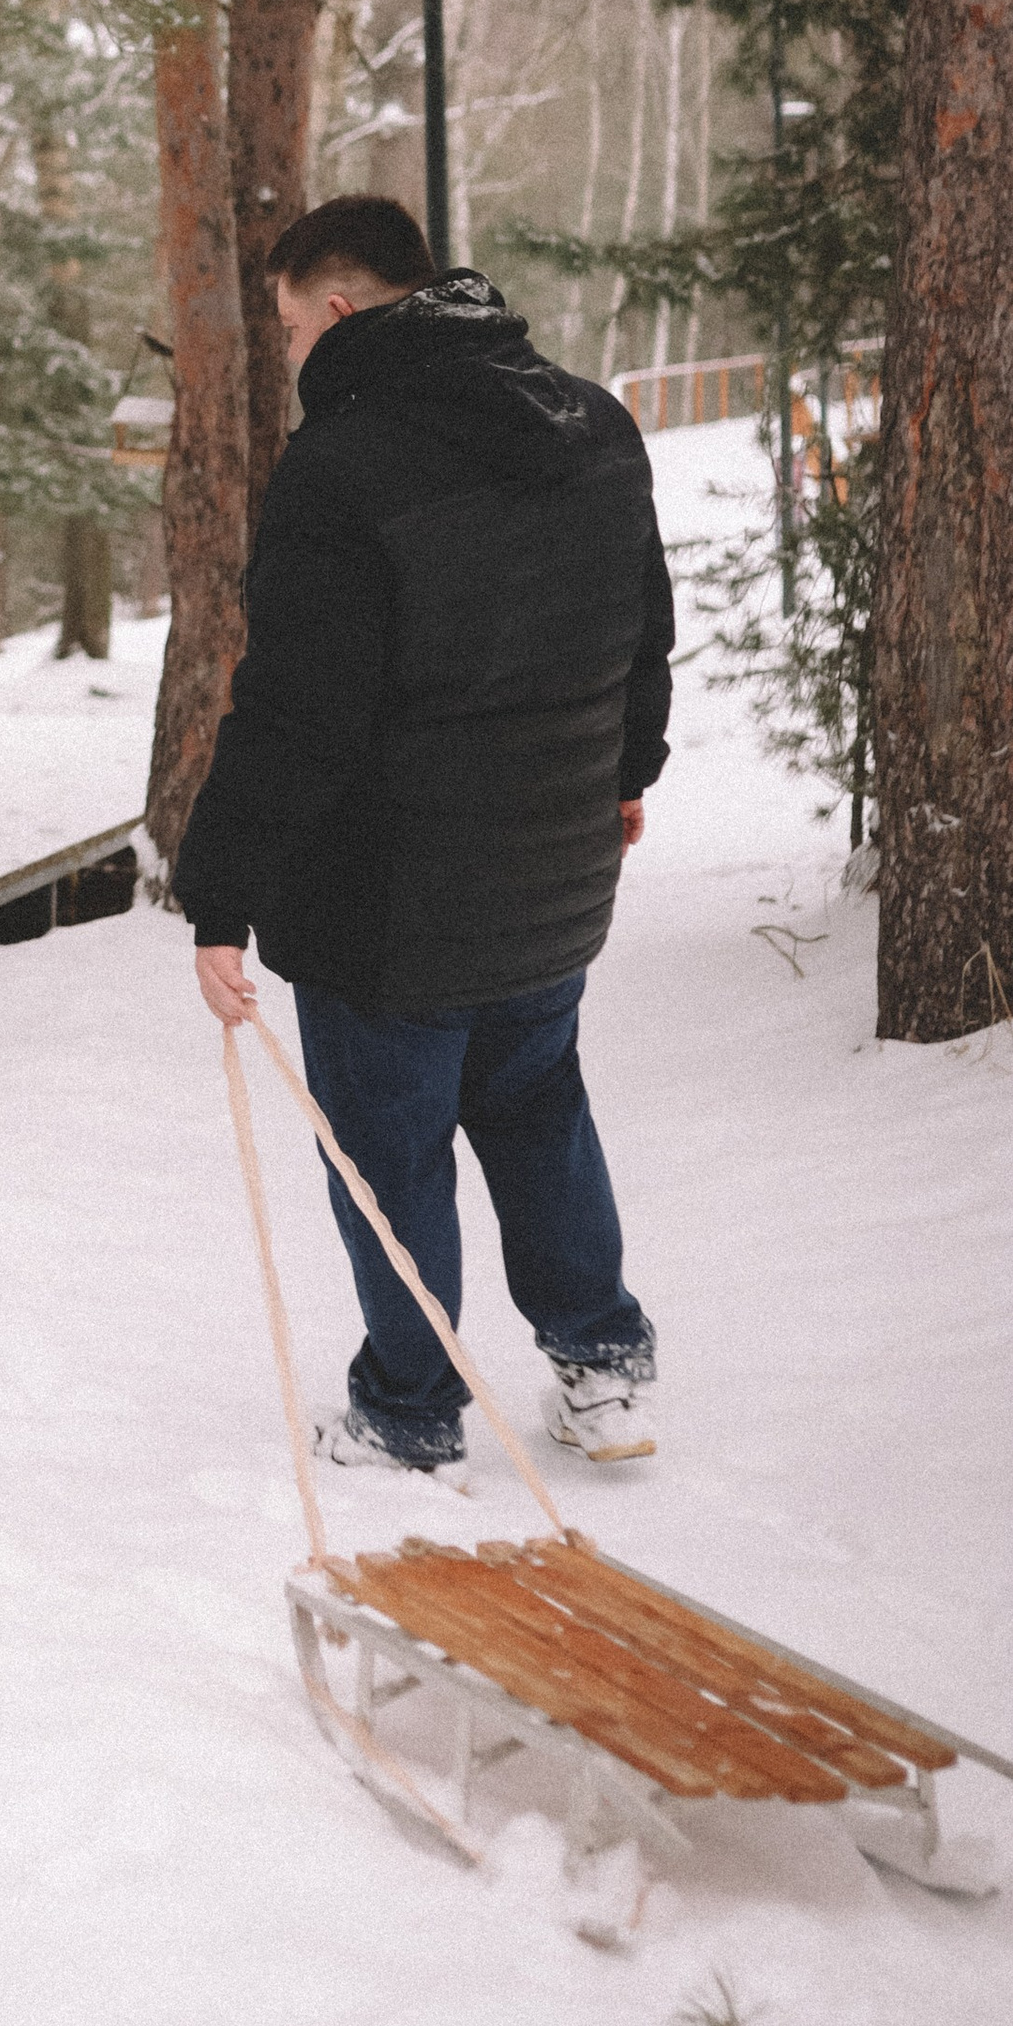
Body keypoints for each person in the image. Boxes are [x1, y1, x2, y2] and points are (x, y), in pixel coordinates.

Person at [174, 197, 673, 1477]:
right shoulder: (591, 419)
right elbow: (639, 634)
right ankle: (602, 1366)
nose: (288, 353)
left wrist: (219, 895)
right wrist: (623, 775)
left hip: (386, 898)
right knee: (535, 1105)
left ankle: (407, 1411)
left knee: (390, 1155)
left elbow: (294, 714)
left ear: (337, 310)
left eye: (288, 327)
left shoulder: (343, 468)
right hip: (550, 872)